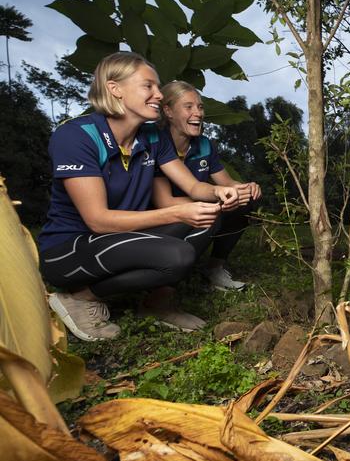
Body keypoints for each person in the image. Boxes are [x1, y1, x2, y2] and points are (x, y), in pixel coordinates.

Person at [38, 52, 238, 341]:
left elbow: (194, 188)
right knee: (178, 255)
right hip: (70, 249)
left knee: (208, 218)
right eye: (149, 86)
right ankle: (80, 297)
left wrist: (218, 191)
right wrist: (177, 213)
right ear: (114, 88)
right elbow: (98, 220)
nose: (159, 94)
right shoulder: (76, 136)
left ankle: (156, 304)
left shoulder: (153, 137)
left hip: (124, 235)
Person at [153, 81, 262, 291]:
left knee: (244, 201)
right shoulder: (156, 142)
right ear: (168, 111)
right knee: (214, 211)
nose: (198, 113)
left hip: (199, 202)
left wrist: (245, 189)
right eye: (188, 107)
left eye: (200, 107)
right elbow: (163, 202)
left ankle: (214, 269)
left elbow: (227, 183)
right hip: (162, 214)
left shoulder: (204, 144)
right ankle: (167, 279)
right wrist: (218, 201)